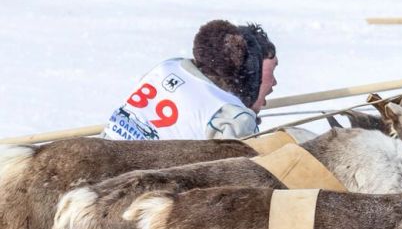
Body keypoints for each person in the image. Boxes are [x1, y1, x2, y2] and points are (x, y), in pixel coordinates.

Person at [104, 21, 277, 141]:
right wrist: (244, 125)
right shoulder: (233, 118)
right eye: (270, 71)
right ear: (251, 73)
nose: (274, 83)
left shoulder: (168, 66)